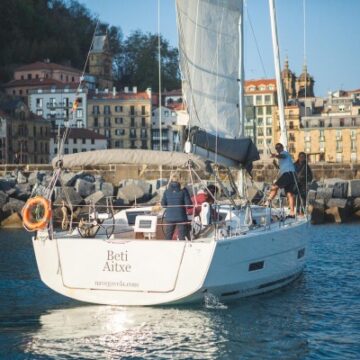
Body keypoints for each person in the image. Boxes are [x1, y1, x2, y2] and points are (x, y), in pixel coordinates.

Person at [268, 143, 296, 218]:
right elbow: (281, 168)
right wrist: (275, 164)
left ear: (282, 147)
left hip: (288, 174)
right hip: (291, 175)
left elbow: (282, 156)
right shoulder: (281, 159)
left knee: (274, 186)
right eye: (276, 148)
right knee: (289, 194)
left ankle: (267, 202)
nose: (278, 149)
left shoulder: (285, 153)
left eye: (279, 147)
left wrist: (275, 155)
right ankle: (292, 213)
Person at [161, 175, 192, 240]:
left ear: (171, 180)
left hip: (169, 217)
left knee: (168, 237)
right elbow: (188, 205)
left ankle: (167, 248)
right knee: (182, 237)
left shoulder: (167, 191)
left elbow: (163, 204)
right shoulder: (183, 190)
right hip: (181, 217)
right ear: (180, 180)